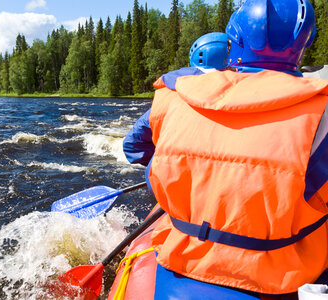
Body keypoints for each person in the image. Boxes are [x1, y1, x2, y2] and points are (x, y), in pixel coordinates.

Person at [124, 0, 328, 296]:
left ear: (234, 40)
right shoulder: (322, 114)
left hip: (181, 257)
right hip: (279, 278)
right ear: (304, 44)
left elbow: (140, 155)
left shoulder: (174, 95)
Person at [123, 32, 228, 194]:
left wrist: (163, 161)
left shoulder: (168, 97)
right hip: (219, 188)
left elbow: (132, 145)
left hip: (169, 185)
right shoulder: (240, 96)